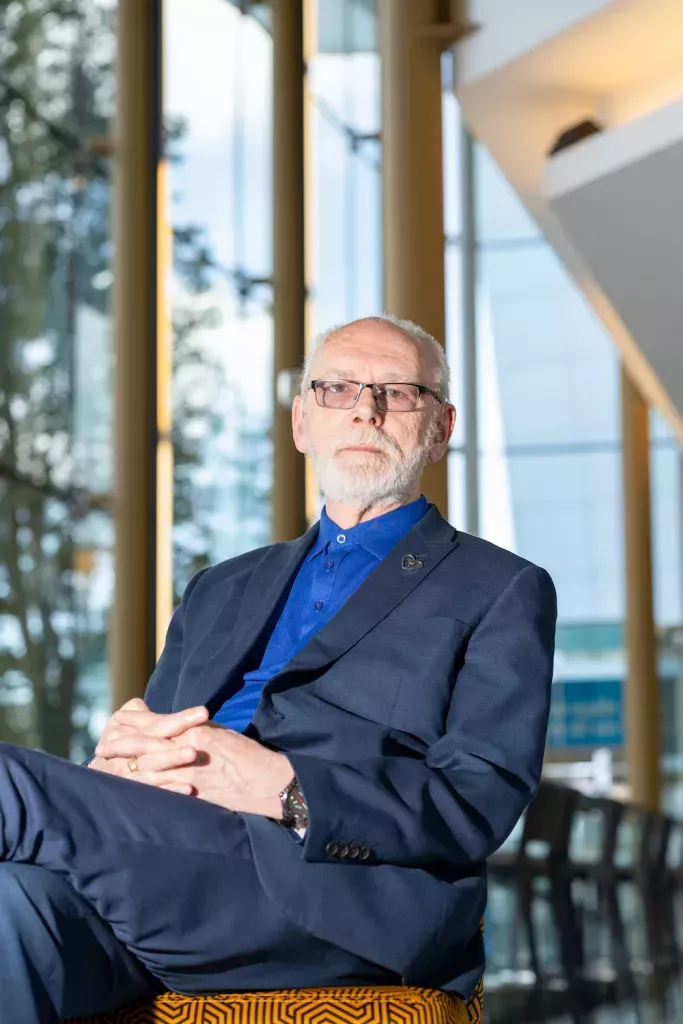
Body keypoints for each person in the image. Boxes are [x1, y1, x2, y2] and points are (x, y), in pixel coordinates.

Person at [0, 315, 556, 1023]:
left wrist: (288, 789)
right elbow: (168, 748)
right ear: (300, 422)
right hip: (166, 871)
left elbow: (477, 799)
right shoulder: (218, 586)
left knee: (10, 785)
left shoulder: (498, 586)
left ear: (440, 427)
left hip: (332, 895)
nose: (364, 407)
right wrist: (119, 764)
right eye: (337, 388)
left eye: (397, 391)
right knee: (12, 908)